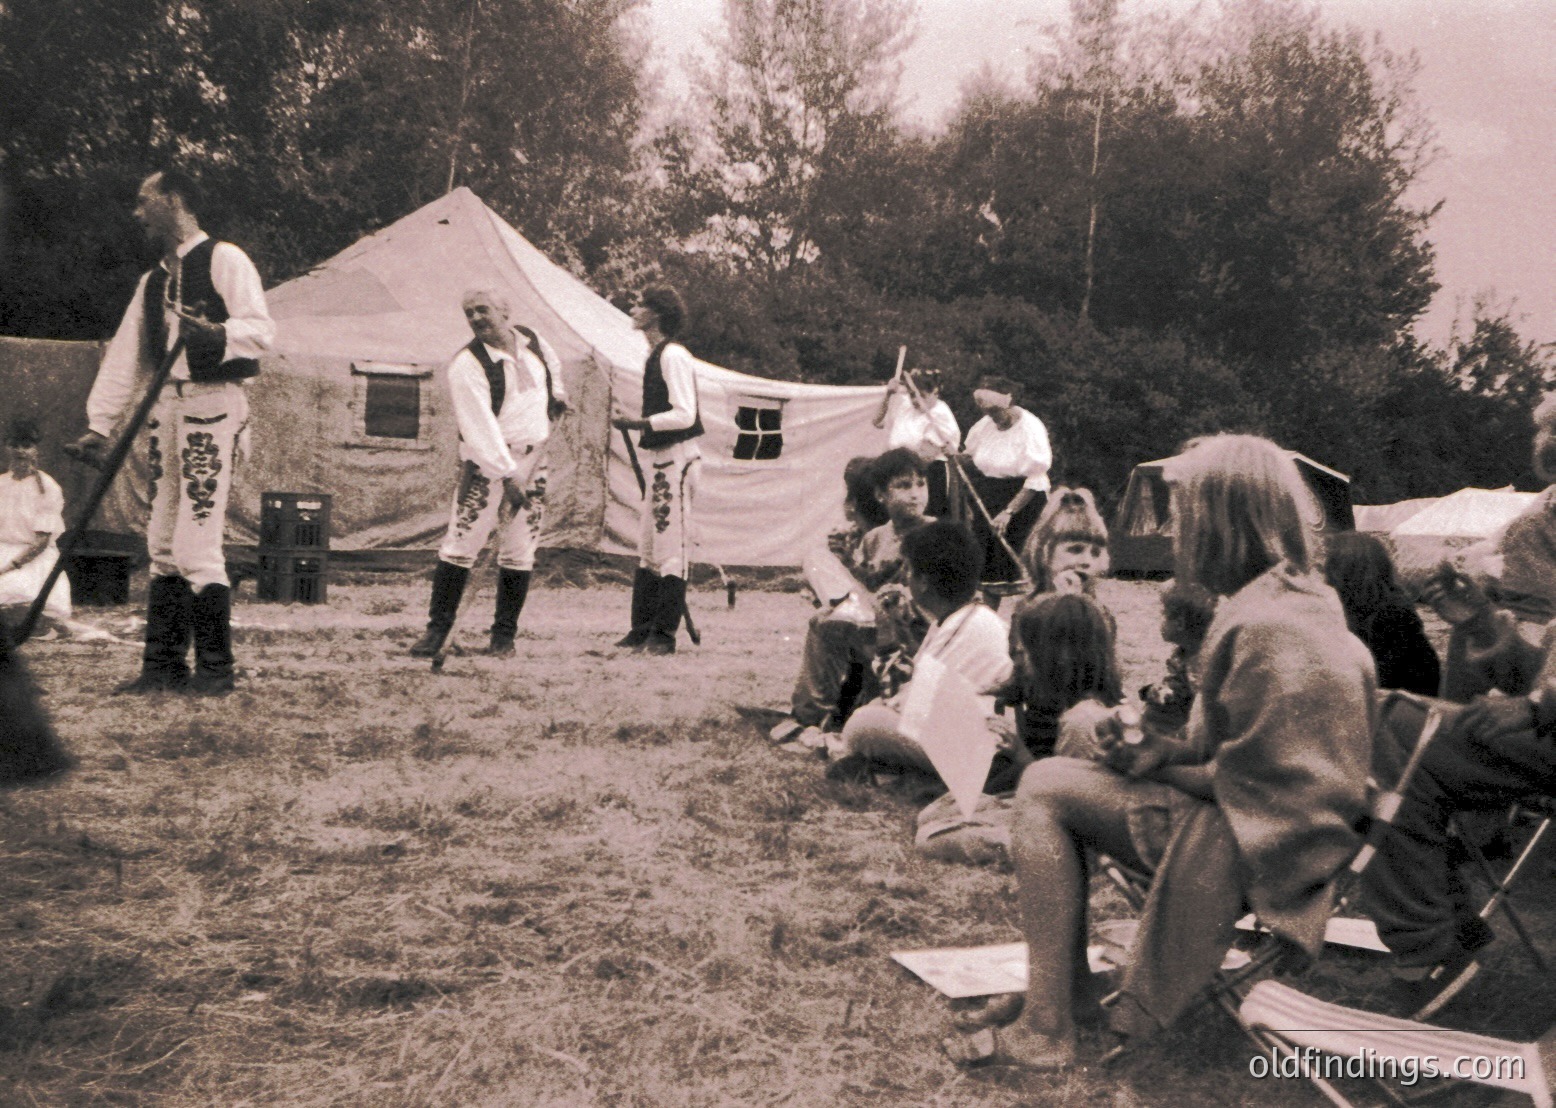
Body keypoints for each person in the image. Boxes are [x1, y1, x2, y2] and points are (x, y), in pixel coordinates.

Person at [949, 434, 1374, 1071]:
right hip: (1273, 829)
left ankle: (1048, 1025)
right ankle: (1066, 996)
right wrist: (1157, 748)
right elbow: (1252, 758)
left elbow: (1254, 785)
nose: (1176, 536)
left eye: (1186, 518)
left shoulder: (1267, 624)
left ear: (1224, 524)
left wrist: (1159, 760)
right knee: (1070, 756)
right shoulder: (1300, 603)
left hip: (1262, 850)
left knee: (1042, 788)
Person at [1362, 394, 1556, 1018]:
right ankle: (1436, 934)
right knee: (1383, 721)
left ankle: (1429, 946)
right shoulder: (1540, 527)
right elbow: (1537, 671)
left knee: (1391, 729)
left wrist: (1542, 707)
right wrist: (1480, 626)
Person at [71, 167, 274, 696]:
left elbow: (260, 331)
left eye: (145, 201)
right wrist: (99, 424)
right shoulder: (154, 281)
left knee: (197, 544)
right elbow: (124, 356)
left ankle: (216, 672)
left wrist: (216, 332)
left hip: (213, 405)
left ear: (174, 200)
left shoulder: (224, 258)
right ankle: (161, 668)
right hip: (168, 411)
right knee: (161, 541)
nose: (137, 213)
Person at [409, 290, 566, 659]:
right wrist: (508, 474)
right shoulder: (468, 364)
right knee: (461, 545)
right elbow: (478, 427)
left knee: (519, 551)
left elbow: (553, 370)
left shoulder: (533, 341)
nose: (476, 317)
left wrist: (557, 395)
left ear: (505, 311)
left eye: (483, 309)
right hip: (488, 466)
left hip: (534, 459)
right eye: (469, 312)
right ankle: (439, 630)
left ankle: (504, 637)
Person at [830, 520, 1013, 782]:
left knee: (863, 724)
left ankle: (897, 771)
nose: (904, 577)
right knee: (873, 715)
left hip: (979, 750)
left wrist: (886, 636)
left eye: (908, 568)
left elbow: (910, 704)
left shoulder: (967, 623)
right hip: (962, 734)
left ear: (924, 582)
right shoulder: (960, 617)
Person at [610, 285, 703, 656]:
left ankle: (664, 634)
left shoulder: (674, 355)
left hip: (679, 459)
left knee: (670, 548)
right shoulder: (653, 355)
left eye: (640, 304)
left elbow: (686, 413)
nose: (632, 308)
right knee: (649, 545)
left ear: (657, 313)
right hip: (660, 460)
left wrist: (639, 423)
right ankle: (641, 628)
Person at [957, 375, 1052, 592]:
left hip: (1025, 501)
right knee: (988, 572)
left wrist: (1009, 512)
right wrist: (952, 454)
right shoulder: (984, 426)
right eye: (988, 413)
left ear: (1008, 403)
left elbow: (1036, 478)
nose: (993, 418)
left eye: (996, 412)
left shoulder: (1030, 428)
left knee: (1025, 568)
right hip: (989, 499)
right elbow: (970, 457)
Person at [1324, 530, 1440, 697]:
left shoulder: (1392, 613)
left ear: (1340, 570)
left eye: (1329, 564)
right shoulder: (1393, 607)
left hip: (1395, 704)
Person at [0, 417, 71, 629]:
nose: (20, 451)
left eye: (26, 446)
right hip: (2, 550)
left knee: (14, 594)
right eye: (14, 445)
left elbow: (40, 542)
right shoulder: (1, 483)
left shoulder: (48, 487)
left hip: (31, 559)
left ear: (35, 450)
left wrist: (9, 567)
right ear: (6, 448)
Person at [873, 368, 959, 516]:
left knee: (924, 520)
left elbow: (926, 455)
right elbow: (876, 421)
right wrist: (888, 394)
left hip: (926, 475)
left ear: (935, 393)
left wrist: (896, 472)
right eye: (912, 395)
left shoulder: (940, 414)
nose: (915, 401)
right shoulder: (906, 405)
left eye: (923, 396)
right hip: (899, 471)